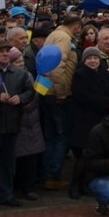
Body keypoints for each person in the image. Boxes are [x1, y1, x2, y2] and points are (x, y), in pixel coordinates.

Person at [41, 13, 82, 190]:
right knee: (61, 136)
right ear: (76, 26)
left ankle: (45, 175)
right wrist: (61, 93)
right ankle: (53, 176)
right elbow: (57, 67)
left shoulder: (54, 34)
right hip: (56, 93)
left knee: (51, 136)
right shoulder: (64, 39)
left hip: (46, 90)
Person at [69, 47, 109, 199]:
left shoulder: (106, 74)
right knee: (83, 155)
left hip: (101, 119)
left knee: (93, 154)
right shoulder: (79, 75)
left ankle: (85, 184)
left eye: (95, 58)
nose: (93, 61)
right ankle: (74, 185)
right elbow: (84, 98)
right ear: (84, 60)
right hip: (83, 120)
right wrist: (107, 102)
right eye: (89, 58)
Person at [0, 40, 34, 207]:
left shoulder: (20, 73)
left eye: (7, 51)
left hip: (12, 124)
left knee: (7, 163)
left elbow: (30, 91)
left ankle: (6, 194)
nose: (5, 54)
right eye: (1, 51)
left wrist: (20, 98)